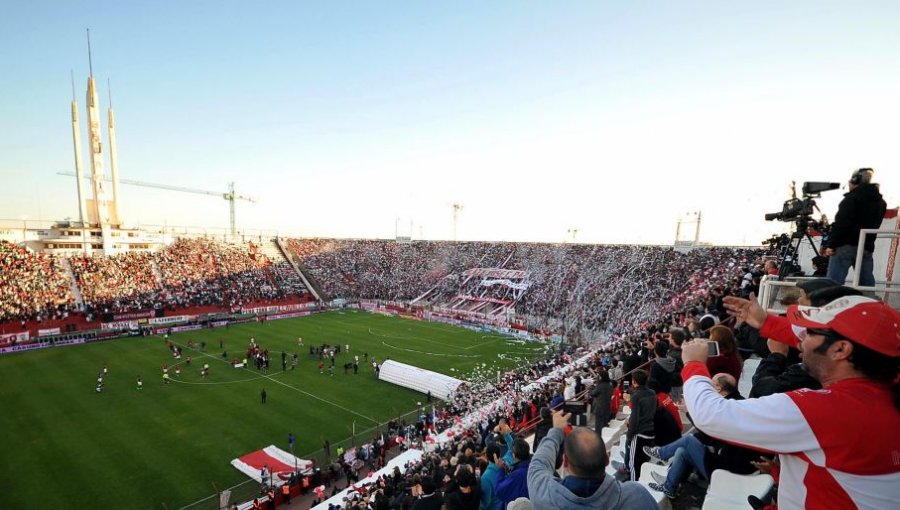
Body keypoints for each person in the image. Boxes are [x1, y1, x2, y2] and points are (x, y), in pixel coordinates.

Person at [687, 294, 900, 509]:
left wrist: (694, 364)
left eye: (810, 332)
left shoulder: (826, 411)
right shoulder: (884, 393)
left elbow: (710, 415)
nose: (800, 340)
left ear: (840, 350)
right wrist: (767, 323)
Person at [526, 410, 657, 509]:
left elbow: (539, 463)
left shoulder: (543, 495)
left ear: (565, 462)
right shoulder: (637, 495)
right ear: (607, 458)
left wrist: (556, 431)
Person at [824, 168, 887, 286]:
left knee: (833, 284)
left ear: (855, 180)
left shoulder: (851, 199)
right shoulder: (881, 202)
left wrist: (831, 245)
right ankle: (870, 303)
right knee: (866, 285)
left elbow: (841, 224)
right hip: (866, 247)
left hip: (845, 245)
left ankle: (830, 303)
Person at [624, 369, 656, 481]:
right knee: (642, 460)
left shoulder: (636, 396)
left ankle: (632, 485)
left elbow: (634, 419)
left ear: (634, 381)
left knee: (633, 464)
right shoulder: (652, 393)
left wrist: (629, 435)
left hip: (639, 433)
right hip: (651, 430)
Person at [495, 439, 531, 509]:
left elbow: (499, 491)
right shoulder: (534, 463)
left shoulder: (518, 475)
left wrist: (500, 469)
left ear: (514, 455)